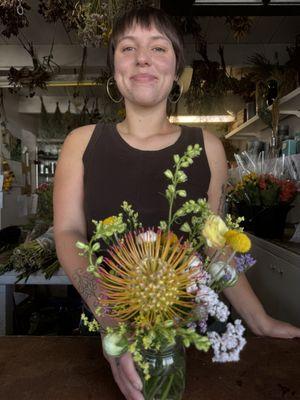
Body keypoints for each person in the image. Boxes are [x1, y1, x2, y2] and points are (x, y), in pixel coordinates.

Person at [53, 7, 300, 400]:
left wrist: (259, 319)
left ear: (176, 68)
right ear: (114, 68)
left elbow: (216, 245)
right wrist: (112, 322)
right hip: (103, 327)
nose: (142, 59)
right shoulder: (81, 143)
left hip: (185, 337)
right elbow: (68, 232)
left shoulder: (208, 147)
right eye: (128, 48)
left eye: (159, 48)